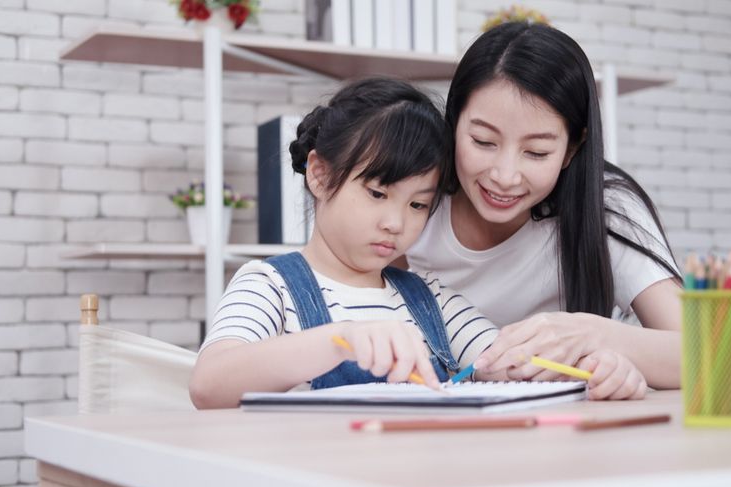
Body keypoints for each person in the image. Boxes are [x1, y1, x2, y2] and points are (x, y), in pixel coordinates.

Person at [189, 78, 508, 409]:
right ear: (320, 175)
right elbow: (207, 385)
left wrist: (526, 354)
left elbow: (502, 359)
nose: (395, 223)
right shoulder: (270, 287)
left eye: (418, 205)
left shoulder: (431, 300)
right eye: (377, 193)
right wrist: (339, 341)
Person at [406, 22, 683, 399]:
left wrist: (595, 335)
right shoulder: (413, 199)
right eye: (483, 141)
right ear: (454, 124)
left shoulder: (606, 209)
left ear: (571, 148)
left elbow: (713, 358)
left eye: (536, 152)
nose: (504, 176)